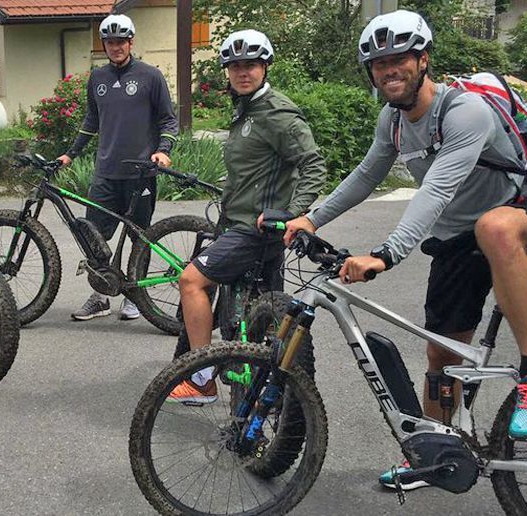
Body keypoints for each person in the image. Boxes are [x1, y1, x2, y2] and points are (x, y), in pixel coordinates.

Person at [282, 9, 527, 490]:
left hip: (515, 215)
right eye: (379, 63)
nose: (390, 70)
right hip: (456, 242)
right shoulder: (392, 121)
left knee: (492, 226)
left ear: (423, 60)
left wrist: (386, 253)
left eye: (400, 60)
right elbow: (366, 176)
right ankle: (438, 453)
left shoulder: (464, 111)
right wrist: (311, 217)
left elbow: (437, 190)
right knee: (441, 361)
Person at [167, 29, 327, 404]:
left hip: (254, 230)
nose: (243, 72)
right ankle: (260, 393)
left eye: (251, 65)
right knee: (259, 319)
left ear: (265, 67)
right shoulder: (246, 108)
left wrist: (290, 213)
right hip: (238, 223)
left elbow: (313, 166)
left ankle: (203, 378)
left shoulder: (276, 113)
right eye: (235, 66)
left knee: (191, 281)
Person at [57, 13, 179, 322]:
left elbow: (168, 120)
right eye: (110, 42)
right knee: (93, 235)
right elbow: (91, 121)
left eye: (121, 41)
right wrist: (71, 154)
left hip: (141, 174)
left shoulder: (151, 76)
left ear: (130, 42)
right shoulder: (97, 78)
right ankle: (100, 296)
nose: (116, 47)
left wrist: (163, 151)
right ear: (105, 45)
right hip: (106, 172)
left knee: (141, 237)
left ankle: (135, 296)